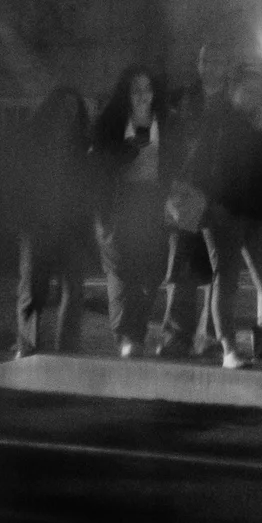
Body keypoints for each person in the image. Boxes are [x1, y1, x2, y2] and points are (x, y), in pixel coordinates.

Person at [189, 65, 262, 368]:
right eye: (249, 90)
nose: (255, 97)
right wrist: (214, 204)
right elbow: (200, 165)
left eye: (259, 92)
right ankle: (228, 348)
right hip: (224, 213)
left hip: (256, 214)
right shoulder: (218, 122)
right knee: (226, 280)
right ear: (235, 90)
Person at [151, 42, 232, 355]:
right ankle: (175, 336)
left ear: (225, 66)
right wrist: (170, 182)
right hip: (186, 190)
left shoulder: (231, 102)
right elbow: (168, 143)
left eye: (218, 61)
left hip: (219, 194)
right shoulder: (184, 98)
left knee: (218, 269)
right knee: (182, 266)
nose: (211, 67)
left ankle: (209, 336)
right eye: (206, 61)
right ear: (199, 64)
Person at [87, 65, 168, 358]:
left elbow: (176, 157)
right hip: (120, 204)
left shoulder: (165, 120)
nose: (143, 95)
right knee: (123, 271)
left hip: (154, 202)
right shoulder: (111, 122)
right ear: (126, 93)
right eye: (136, 89)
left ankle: (137, 330)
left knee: (154, 270)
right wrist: (129, 149)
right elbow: (100, 164)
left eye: (147, 89)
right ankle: (126, 336)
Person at [12, 85, 97, 357]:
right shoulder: (33, 142)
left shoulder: (83, 144)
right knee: (33, 291)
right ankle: (27, 346)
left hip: (71, 227)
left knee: (72, 290)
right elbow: (21, 182)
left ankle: (66, 348)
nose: (69, 115)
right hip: (40, 226)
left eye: (74, 110)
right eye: (63, 109)